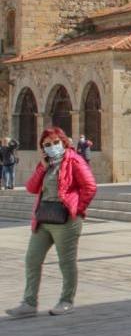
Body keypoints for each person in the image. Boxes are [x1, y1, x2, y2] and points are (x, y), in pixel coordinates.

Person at [6, 127, 96, 318]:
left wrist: (77, 209)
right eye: (48, 144)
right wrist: (42, 168)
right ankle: (29, 303)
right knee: (32, 259)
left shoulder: (74, 160)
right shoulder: (45, 164)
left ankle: (66, 301)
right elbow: (31, 187)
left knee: (66, 262)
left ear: (64, 142)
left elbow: (90, 186)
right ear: (43, 148)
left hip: (66, 220)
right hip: (44, 218)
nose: (53, 146)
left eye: (56, 142)